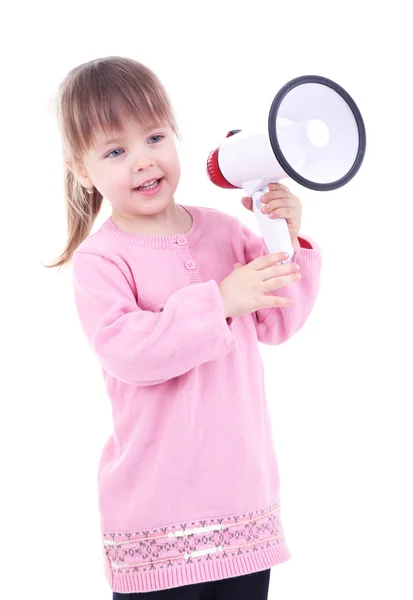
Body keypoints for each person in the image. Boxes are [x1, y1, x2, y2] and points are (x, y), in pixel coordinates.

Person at [44, 56, 322, 599]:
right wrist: (219, 300)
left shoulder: (225, 231)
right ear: (82, 170)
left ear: (174, 133)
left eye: (154, 136)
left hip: (243, 508)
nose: (143, 161)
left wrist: (286, 237)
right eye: (116, 151)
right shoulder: (101, 260)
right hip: (157, 515)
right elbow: (128, 351)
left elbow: (279, 321)